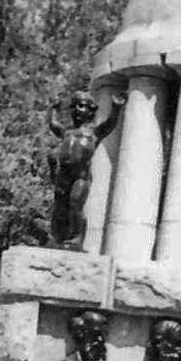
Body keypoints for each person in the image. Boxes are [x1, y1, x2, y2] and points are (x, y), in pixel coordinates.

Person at [47, 90, 123, 248]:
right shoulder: (66, 132)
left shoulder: (94, 132)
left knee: (75, 204)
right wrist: (54, 108)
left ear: (91, 110)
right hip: (63, 175)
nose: (77, 109)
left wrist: (116, 107)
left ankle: (76, 239)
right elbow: (53, 124)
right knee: (60, 207)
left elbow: (110, 124)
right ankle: (56, 237)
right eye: (75, 105)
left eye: (82, 106)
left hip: (80, 177)